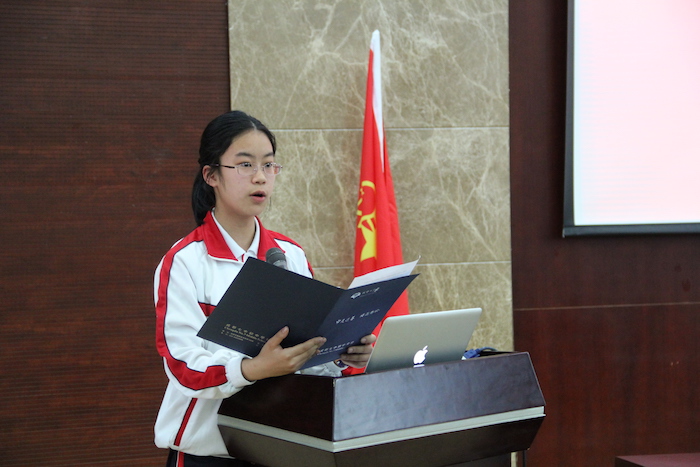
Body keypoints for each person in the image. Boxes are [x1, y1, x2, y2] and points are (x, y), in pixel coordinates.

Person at [154, 110, 376, 466]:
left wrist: (341, 354)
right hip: (209, 454)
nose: (260, 177)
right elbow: (184, 366)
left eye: (269, 165)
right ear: (211, 175)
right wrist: (251, 369)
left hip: (282, 445)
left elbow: (307, 351)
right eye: (245, 165)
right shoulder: (185, 261)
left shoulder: (290, 255)